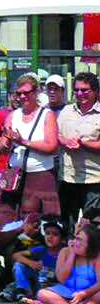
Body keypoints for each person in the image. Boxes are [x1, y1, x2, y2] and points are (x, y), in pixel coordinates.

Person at [0, 73, 60, 238]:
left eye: (26, 93)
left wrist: (23, 141)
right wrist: (5, 142)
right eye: (19, 93)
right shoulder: (13, 115)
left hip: (40, 175)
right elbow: (4, 146)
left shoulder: (47, 115)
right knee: (2, 218)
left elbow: (51, 146)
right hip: (14, 175)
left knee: (37, 222)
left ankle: (38, 258)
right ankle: (9, 256)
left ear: (35, 93)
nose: (22, 97)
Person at [19, 222, 100, 304]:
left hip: (88, 295)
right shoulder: (65, 252)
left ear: (90, 245)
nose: (77, 243)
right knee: (42, 294)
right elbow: (61, 278)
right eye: (76, 239)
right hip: (67, 292)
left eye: (81, 242)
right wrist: (71, 254)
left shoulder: (96, 257)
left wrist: (83, 294)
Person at [57, 72, 100, 226]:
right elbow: (56, 135)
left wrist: (84, 144)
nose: (80, 94)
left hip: (93, 181)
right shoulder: (66, 111)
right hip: (68, 179)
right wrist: (65, 142)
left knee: (93, 228)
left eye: (84, 90)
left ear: (95, 91)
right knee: (67, 225)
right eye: (77, 90)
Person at [7, 216, 66, 300]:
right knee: (19, 265)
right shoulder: (42, 249)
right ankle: (24, 292)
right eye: (47, 233)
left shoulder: (65, 253)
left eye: (55, 234)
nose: (50, 237)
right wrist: (31, 263)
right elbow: (16, 255)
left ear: (62, 239)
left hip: (54, 285)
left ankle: (15, 290)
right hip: (38, 282)